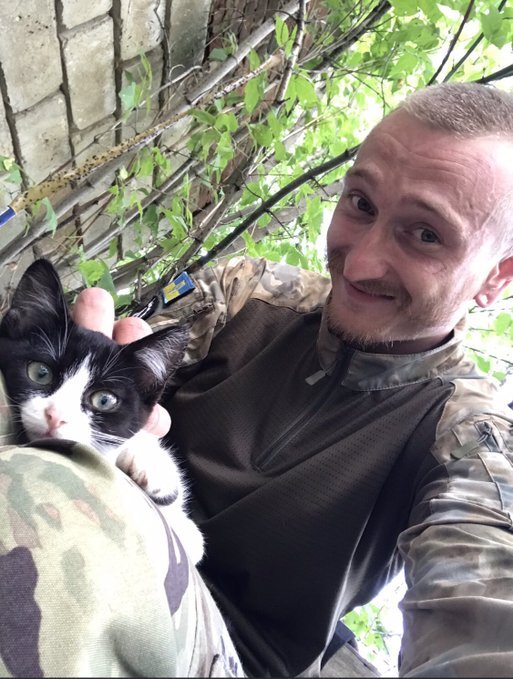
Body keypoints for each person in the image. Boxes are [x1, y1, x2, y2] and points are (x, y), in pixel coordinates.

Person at [2, 80, 513, 677]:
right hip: (120, 508)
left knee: (41, 506)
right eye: (361, 205)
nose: (362, 260)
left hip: (229, 651)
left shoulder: (466, 438)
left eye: (425, 234)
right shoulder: (247, 293)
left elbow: (486, 607)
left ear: (496, 280)